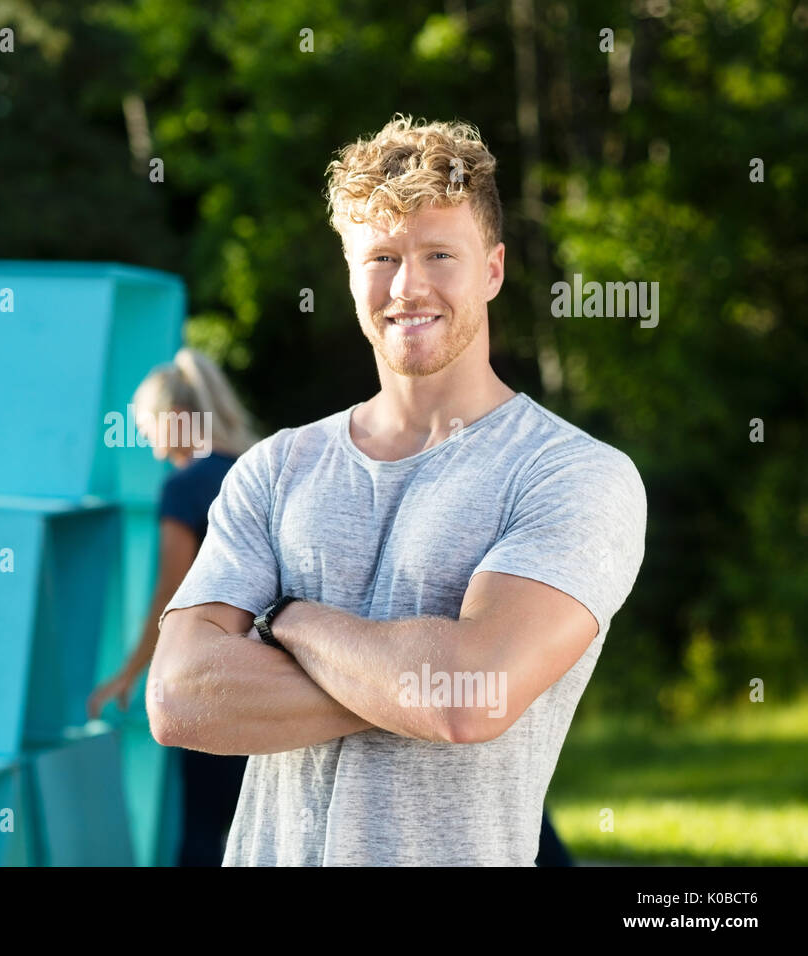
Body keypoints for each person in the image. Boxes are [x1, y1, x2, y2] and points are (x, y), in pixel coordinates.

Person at [147, 115, 648, 866]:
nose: (407, 285)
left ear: (493, 269)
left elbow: (467, 696)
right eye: (381, 256)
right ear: (350, 273)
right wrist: (413, 680)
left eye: (439, 253)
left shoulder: (574, 474)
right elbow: (180, 697)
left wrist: (287, 618)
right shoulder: (274, 469)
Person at [87, 348, 259, 867]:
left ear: (177, 419)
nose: (149, 441)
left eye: (149, 426)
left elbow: (171, 600)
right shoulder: (253, 468)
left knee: (203, 835)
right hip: (273, 674)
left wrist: (128, 673)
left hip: (214, 683)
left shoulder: (185, 488)